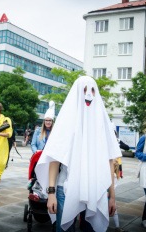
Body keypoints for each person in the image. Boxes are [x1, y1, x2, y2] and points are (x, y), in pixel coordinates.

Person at [35, 76, 122, 232]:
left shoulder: (103, 125)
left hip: (95, 190)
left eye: (93, 90)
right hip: (64, 189)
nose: (89, 94)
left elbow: (109, 162)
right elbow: (54, 159)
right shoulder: (65, 123)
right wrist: (51, 193)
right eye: (84, 90)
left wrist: (112, 197)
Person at [111, 160, 127, 232]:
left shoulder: (112, 175)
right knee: (115, 211)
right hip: (111, 194)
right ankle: (117, 226)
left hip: (108, 194)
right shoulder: (116, 175)